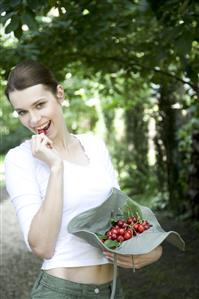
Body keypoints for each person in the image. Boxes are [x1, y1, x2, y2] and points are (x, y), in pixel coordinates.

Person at [4, 60, 162, 299]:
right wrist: (56, 167)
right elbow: (42, 246)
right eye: (22, 112)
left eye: (39, 104)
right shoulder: (20, 159)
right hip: (61, 291)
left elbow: (121, 219)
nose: (34, 120)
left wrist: (154, 251)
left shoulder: (94, 145)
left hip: (112, 290)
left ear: (59, 94)